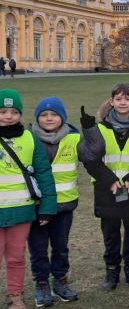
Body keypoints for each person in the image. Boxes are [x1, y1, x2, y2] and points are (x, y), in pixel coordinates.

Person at [78, 83, 129, 291]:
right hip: (106, 190)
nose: (123, 102)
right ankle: (111, 271)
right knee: (110, 233)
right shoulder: (99, 129)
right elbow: (90, 160)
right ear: (111, 101)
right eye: (118, 99)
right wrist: (110, 180)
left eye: (127, 98)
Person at [0, 90, 57, 309]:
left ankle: (16, 297)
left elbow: (43, 172)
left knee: (16, 258)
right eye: (3, 111)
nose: (8, 116)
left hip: (21, 211)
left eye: (14, 112)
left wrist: (47, 208)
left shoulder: (29, 138)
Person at [27, 98, 83, 307]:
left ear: (63, 118)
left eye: (54, 114)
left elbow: (93, 153)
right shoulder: (28, 139)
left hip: (64, 205)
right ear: (37, 118)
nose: (49, 118)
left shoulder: (73, 138)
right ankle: (41, 283)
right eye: (43, 115)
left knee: (60, 247)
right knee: (38, 249)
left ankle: (60, 281)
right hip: (36, 207)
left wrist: (91, 130)